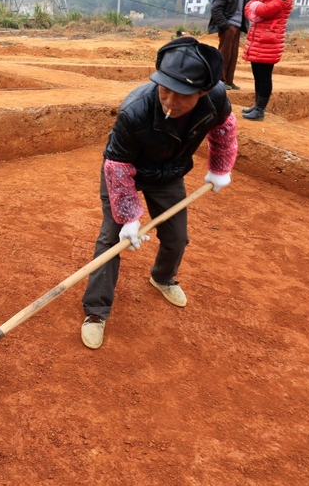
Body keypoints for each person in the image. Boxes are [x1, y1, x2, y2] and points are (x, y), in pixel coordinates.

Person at [80, 37, 238, 350]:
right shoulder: (135, 110)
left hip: (168, 174)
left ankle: (162, 277)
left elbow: (224, 128)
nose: (169, 100)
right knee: (112, 239)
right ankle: (96, 311)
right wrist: (128, 217)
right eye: (165, 88)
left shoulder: (216, 99)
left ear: (203, 92)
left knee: (177, 237)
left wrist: (220, 167)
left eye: (181, 94)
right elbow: (117, 165)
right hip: (124, 171)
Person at [241, 0, 303, 121]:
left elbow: (266, 10)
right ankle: (256, 105)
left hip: (270, 40)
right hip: (257, 39)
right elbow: (249, 7)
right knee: (256, 75)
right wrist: (255, 8)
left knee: (264, 76)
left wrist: (256, 8)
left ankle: (261, 109)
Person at [208, 0, 250, 90]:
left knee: (233, 54)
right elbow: (215, 9)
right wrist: (225, 25)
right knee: (224, 54)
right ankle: (221, 81)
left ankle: (229, 81)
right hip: (229, 26)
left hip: (238, 26)